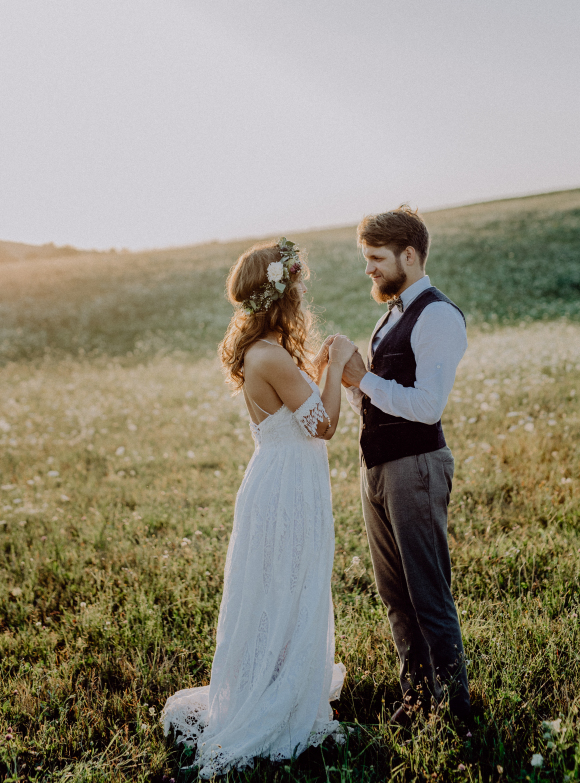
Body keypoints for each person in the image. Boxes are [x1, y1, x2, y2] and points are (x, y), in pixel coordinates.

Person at [162, 237, 357, 777]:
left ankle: (277, 680)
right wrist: (337, 359)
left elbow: (305, 413)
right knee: (286, 584)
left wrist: (318, 375)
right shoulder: (269, 355)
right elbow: (324, 425)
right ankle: (276, 700)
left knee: (281, 584)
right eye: (295, 285)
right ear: (281, 293)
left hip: (282, 479)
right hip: (287, 487)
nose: (300, 294)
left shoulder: (264, 352)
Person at [341, 206, 471, 725]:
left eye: (376, 258)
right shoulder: (390, 313)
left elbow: (426, 405)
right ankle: (416, 703)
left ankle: (457, 710)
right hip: (377, 467)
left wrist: (365, 379)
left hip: (416, 467)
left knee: (427, 594)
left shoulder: (437, 315)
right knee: (395, 595)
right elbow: (379, 398)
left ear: (409, 256)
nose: (368, 269)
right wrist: (353, 383)